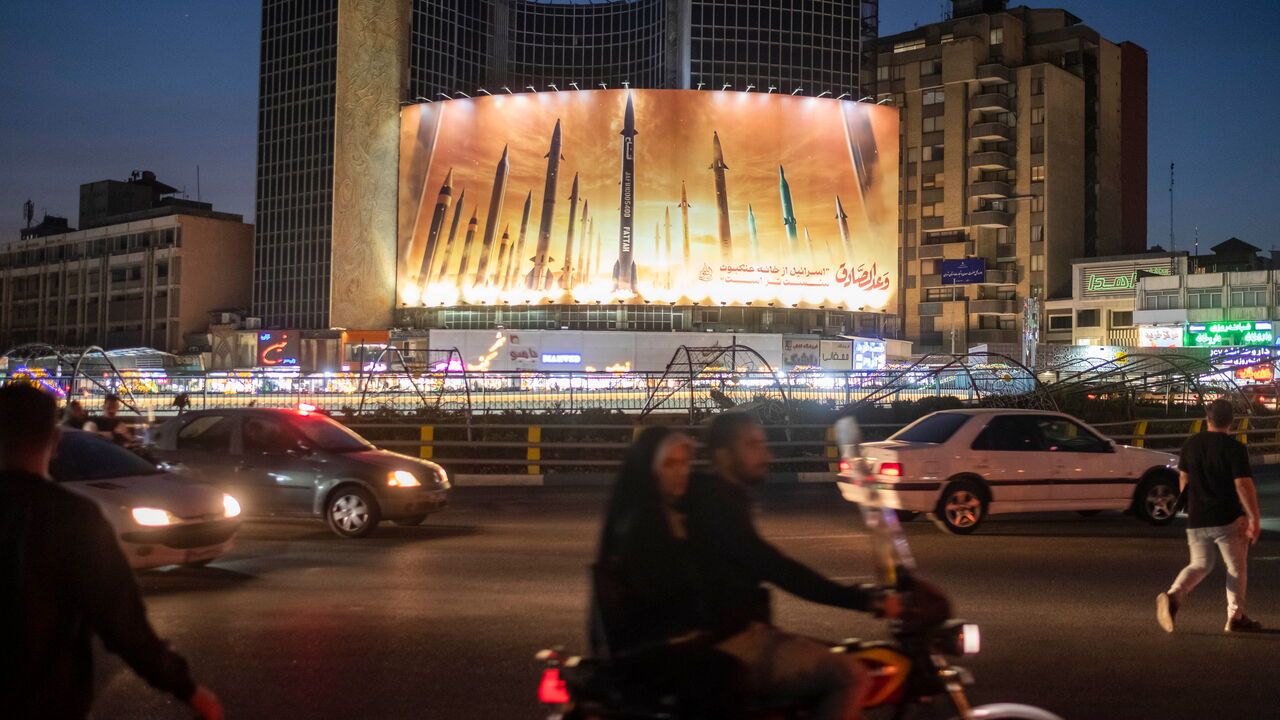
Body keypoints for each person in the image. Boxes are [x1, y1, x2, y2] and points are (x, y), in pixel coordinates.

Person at [0, 383, 224, 719]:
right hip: (45, 698)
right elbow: (121, 621)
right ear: (55, 441)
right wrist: (186, 688)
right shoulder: (73, 517)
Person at [684, 412, 902, 720]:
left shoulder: (719, 496)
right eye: (752, 445)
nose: (766, 454)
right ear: (722, 455)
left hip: (735, 632)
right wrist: (864, 600)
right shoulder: (714, 505)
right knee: (850, 675)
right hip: (732, 641)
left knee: (839, 655)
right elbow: (777, 567)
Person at [1157, 399, 1264, 633]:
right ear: (1231, 422)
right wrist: (1254, 518)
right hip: (1227, 518)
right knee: (1236, 568)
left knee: (1200, 564)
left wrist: (1190, 505)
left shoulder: (1190, 445)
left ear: (1207, 420)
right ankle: (1235, 617)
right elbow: (1243, 485)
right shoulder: (1234, 448)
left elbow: (1183, 479)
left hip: (1196, 517)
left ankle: (1173, 596)